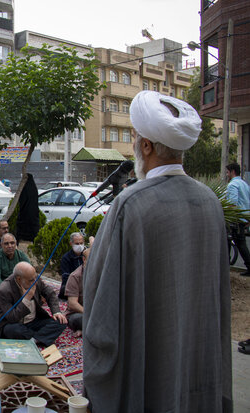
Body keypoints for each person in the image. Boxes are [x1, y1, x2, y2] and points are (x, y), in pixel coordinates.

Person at [83, 90, 232, 412]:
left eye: (136, 138)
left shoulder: (131, 203)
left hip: (148, 364)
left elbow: (100, 295)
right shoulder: (210, 201)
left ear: (146, 146)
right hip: (197, 353)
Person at [0, 262, 66, 346]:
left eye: (35, 278)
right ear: (19, 279)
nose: (35, 282)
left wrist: (56, 312)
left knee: (61, 321)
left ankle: (33, 339)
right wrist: (27, 298)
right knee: (12, 330)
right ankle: (40, 337)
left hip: (34, 321)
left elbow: (50, 293)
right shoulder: (4, 290)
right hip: (15, 323)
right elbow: (12, 317)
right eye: (31, 280)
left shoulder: (34, 279)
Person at [226, 162, 250, 276]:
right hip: (243, 218)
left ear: (232, 172)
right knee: (240, 243)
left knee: (237, 243)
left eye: (227, 172)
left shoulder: (232, 185)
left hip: (235, 219)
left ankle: (226, 266)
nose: (227, 175)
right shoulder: (244, 184)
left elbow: (232, 203)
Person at [0, 233, 30, 299]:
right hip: (3, 285)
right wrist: (9, 289)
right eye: (6, 244)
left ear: (16, 244)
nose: (10, 246)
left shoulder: (21, 255)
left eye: (12, 243)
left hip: (19, 285)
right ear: (1, 245)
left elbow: (30, 272)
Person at [65, 248, 89, 337]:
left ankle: (85, 330)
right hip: (80, 313)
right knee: (78, 320)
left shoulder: (100, 273)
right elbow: (72, 303)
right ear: (84, 259)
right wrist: (89, 314)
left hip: (97, 313)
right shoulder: (75, 276)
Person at [57, 232, 85, 300]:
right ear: (71, 244)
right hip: (72, 284)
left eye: (81, 243)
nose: (80, 245)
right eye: (77, 244)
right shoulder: (66, 258)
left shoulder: (87, 255)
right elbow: (66, 278)